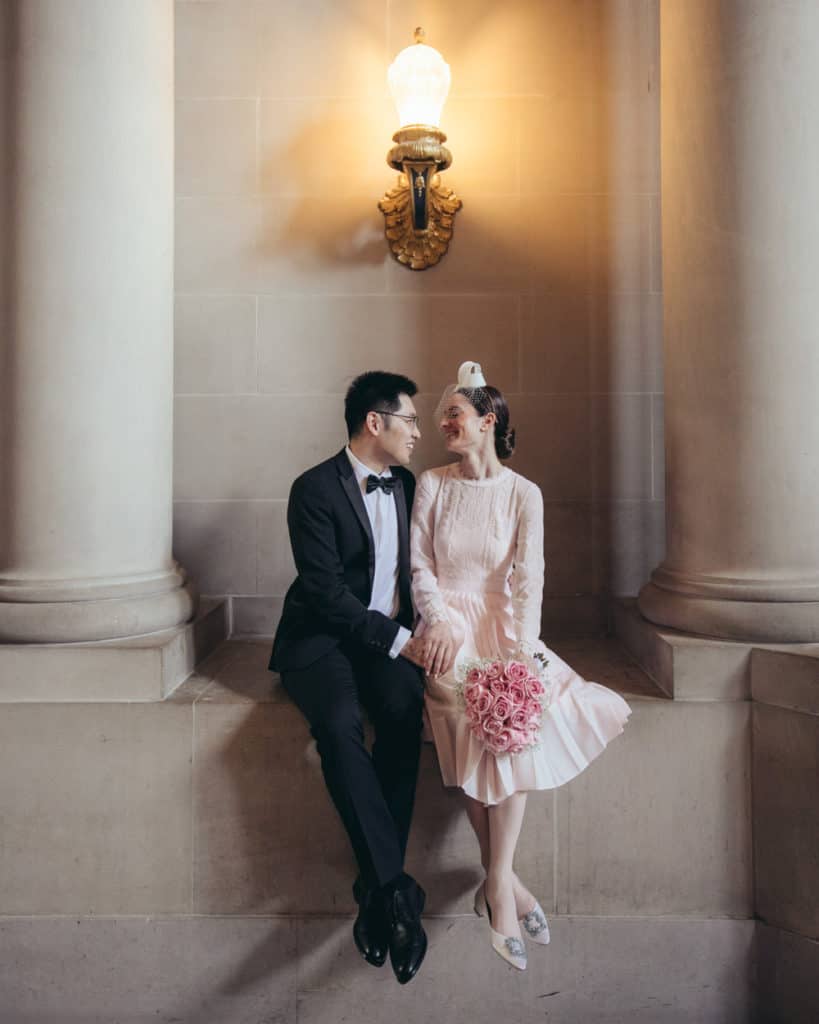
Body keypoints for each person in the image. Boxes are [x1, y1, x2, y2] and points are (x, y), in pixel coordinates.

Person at [410, 361, 631, 972]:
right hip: (445, 623)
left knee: (514, 728)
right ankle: (506, 887)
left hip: (505, 622)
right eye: (441, 415)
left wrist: (519, 653)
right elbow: (420, 568)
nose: (444, 423)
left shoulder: (523, 493)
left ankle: (497, 884)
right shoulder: (431, 482)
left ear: (489, 421)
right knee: (463, 733)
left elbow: (528, 579)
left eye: (455, 413)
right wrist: (444, 624)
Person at [269, 370, 431, 985]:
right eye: (409, 420)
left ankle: (375, 891)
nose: (417, 432)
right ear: (375, 422)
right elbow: (324, 592)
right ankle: (397, 893)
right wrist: (398, 641)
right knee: (338, 727)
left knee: (402, 709)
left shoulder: (409, 483)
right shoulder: (312, 489)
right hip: (322, 639)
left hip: (384, 640)